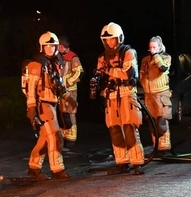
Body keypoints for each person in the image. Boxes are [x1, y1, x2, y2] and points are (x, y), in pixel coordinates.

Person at [90, 22, 145, 174]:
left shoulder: (128, 52)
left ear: (119, 38)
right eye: (107, 40)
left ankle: (137, 163)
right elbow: (100, 74)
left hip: (127, 94)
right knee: (115, 130)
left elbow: (127, 73)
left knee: (129, 128)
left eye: (112, 39)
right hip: (111, 96)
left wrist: (108, 70)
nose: (109, 42)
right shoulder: (102, 57)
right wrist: (97, 81)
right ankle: (122, 163)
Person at [25, 32, 69, 180]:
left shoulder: (55, 63)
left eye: (53, 46)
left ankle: (33, 168)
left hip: (53, 104)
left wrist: (68, 99)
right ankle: (57, 169)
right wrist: (31, 107)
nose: (50, 48)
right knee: (56, 136)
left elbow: (58, 85)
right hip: (43, 105)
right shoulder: (36, 65)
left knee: (44, 140)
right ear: (41, 47)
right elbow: (31, 88)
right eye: (47, 46)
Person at [140, 35, 172, 154]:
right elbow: (142, 74)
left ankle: (165, 148)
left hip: (161, 94)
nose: (152, 49)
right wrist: (144, 84)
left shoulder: (166, 57)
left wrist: (156, 56)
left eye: (154, 47)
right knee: (152, 122)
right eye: (150, 47)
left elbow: (163, 68)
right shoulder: (145, 60)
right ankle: (157, 147)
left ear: (159, 47)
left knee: (161, 122)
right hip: (149, 95)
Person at [57, 36, 83, 142]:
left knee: (70, 110)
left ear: (65, 46)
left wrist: (68, 82)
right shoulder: (58, 57)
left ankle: (72, 132)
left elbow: (79, 73)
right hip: (61, 89)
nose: (59, 48)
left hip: (70, 89)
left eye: (61, 46)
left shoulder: (73, 57)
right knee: (62, 111)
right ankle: (64, 130)